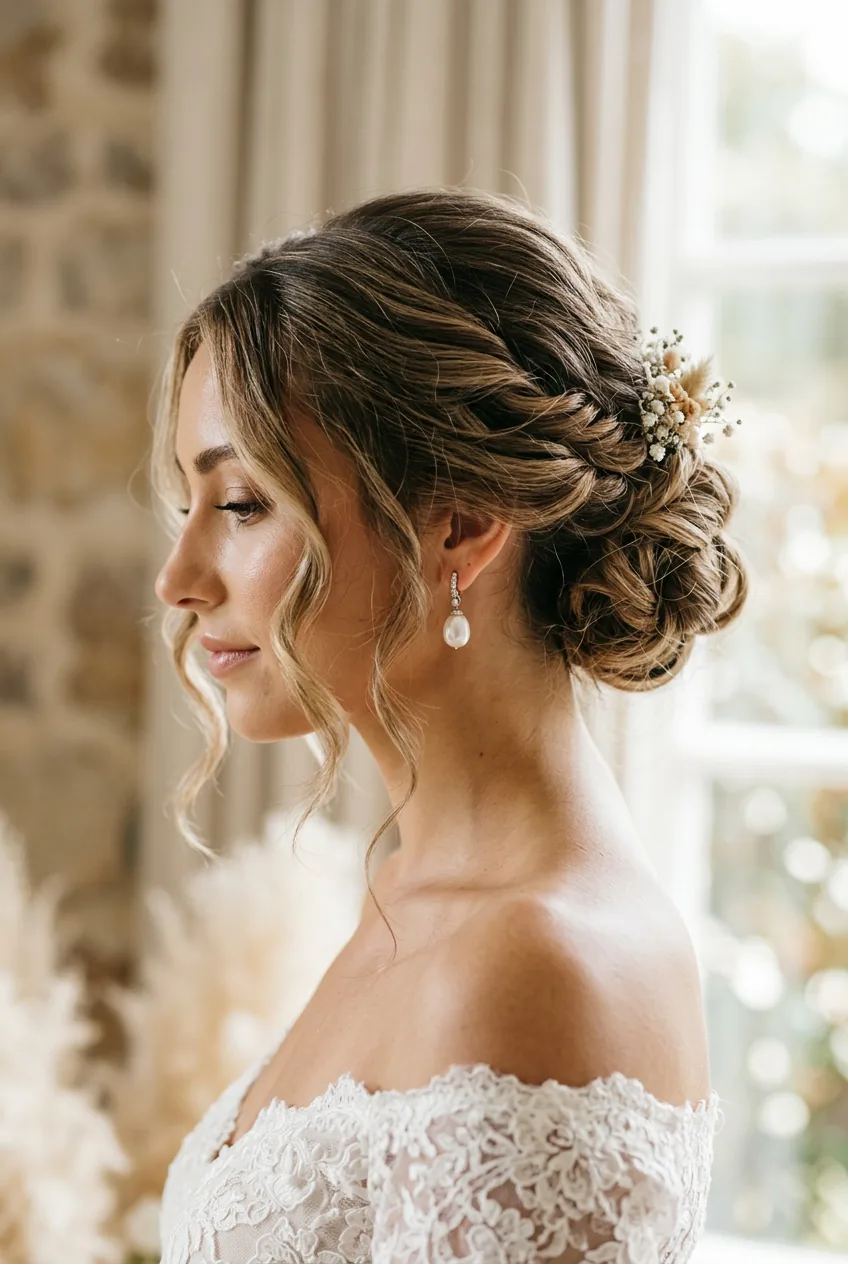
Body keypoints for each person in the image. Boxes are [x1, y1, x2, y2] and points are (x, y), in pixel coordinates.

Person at [152, 186, 747, 1263]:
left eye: (240, 503)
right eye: (186, 508)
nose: (178, 578)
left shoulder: (532, 964)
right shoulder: (416, 893)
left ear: (462, 525)